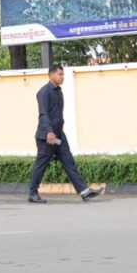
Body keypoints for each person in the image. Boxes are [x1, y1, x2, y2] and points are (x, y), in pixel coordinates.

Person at [28, 63, 102, 204]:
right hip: (47, 137)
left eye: (63, 75)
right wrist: (49, 131)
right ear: (51, 75)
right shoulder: (44, 92)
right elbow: (43, 114)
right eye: (60, 74)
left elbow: (58, 114)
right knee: (41, 165)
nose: (62, 77)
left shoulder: (59, 92)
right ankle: (32, 193)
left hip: (59, 136)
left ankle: (84, 192)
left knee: (68, 161)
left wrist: (60, 128)